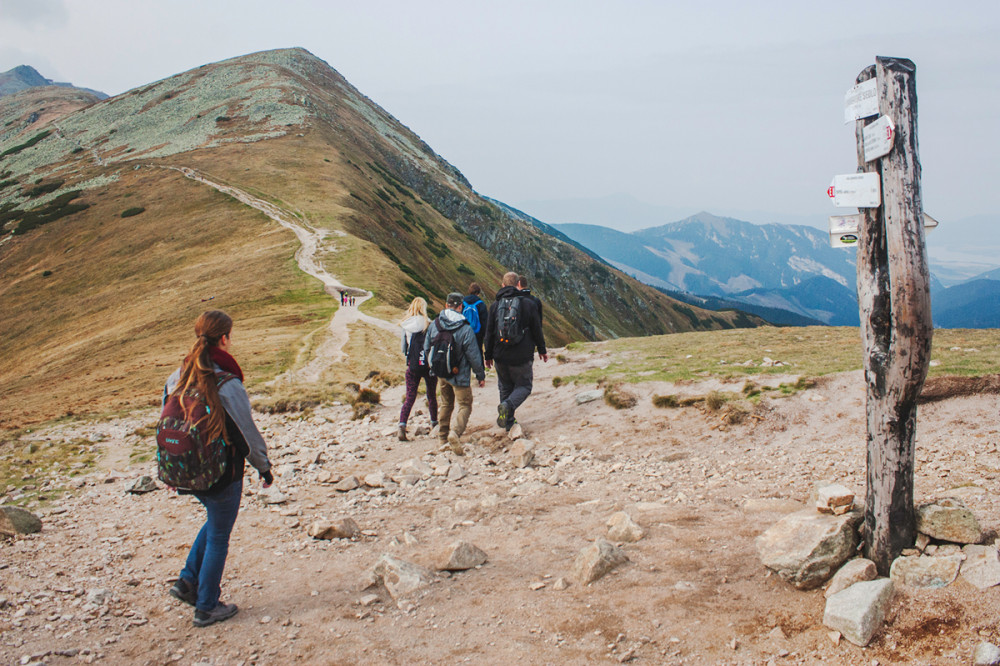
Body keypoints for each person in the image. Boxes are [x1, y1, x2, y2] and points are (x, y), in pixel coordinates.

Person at [162, 310, 273, 628]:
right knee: (220, 534)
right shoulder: (227, 382)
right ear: (225, 338)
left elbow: (167, 419)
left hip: (185, 467)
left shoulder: (179, 374)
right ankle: (207, 605)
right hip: (221, 472)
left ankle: (187, 582)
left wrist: (171, 464)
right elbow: (245, 432)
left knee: (214, 524)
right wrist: (264, 469)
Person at [424, 292, 486, 455]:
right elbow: (473, 355)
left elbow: (426, 348)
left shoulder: (435, 324)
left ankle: (442, 437)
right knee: (465, 405)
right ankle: (455, 432)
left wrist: (433, 367)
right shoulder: (465, 328)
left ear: (446, 305)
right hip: (460, 375)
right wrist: (480, 375)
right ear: (460, 307)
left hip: (441, 373)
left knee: (446, 403)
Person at [484, 272, 547, 432]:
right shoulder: (528, 304)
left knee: (505, 387)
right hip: (521, 356)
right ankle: (507, 406)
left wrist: (488, 355)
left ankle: (509, 422)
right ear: (518, 284)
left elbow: (489, 333)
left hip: (500, 356)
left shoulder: (495, 306)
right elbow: (536, 329)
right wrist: (541, 349)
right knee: (524, 386)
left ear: (503, 285)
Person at [398, 297, 438, 441]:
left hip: (413, 366)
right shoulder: (429, 323)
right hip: (428, 366)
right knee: (431, 395)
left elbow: (404, 348)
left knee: (410, 396)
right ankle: (434, 423)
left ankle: (402, 425)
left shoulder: (406, 325)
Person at [462, 282, 489, 354]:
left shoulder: (463, 302)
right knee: (478, 354)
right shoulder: (481, 304)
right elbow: (484, 322)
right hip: (477, 334)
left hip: (464, 334)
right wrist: (484, 335)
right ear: (478, 292)